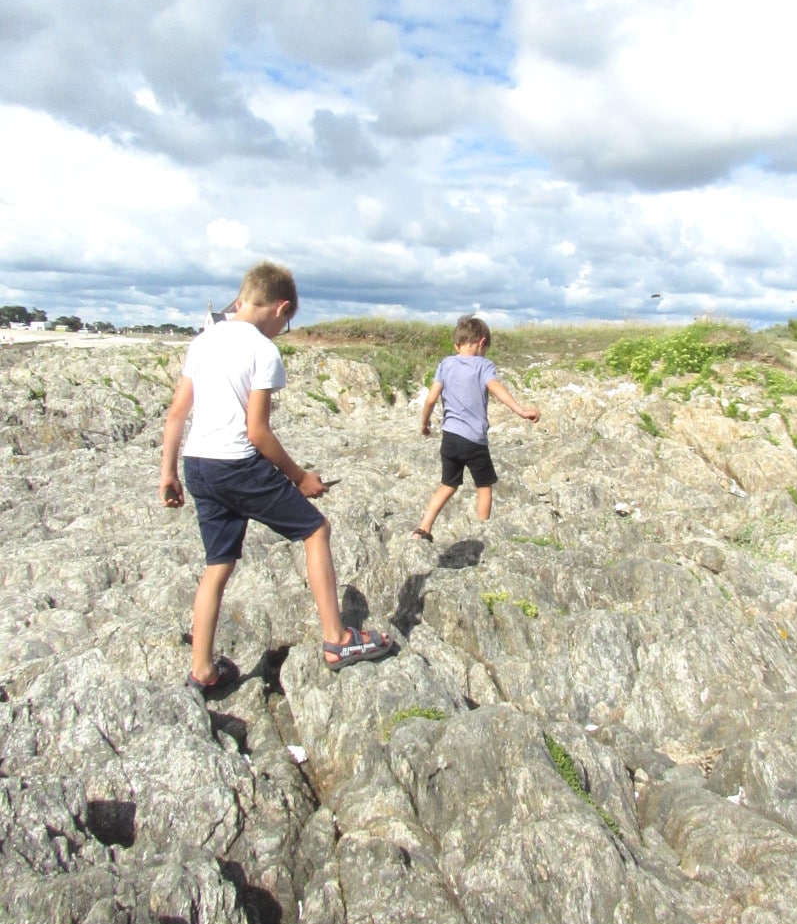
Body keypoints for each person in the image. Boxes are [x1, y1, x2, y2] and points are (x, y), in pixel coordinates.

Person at [160, 261, 393, 693]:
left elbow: (177, 414)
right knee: (315, 529)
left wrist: (168, 473)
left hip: (197, 464)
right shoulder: (262, 350)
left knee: (218, 565)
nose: (281, 330)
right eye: (285, 322)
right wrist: (300, 476)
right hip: (236, 463)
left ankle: (202, 672)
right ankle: (337, 640)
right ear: (281, 308)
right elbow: (257, 431)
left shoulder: (203, 340)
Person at [412, 315, 540, 542]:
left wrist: (424, 424)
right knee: (484, 486)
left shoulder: (446, 364)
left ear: (456, 344)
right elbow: (495, 387)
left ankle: (423, 529)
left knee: (447, 485)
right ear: (482, 343)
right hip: (474, 440)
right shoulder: (484, 365)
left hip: (449, 438)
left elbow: (431, 399)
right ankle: (483, 532)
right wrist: (520, 410)